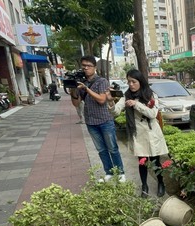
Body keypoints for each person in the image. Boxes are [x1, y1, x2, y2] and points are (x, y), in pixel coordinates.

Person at [107, 69, 168, 198]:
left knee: (156, 161)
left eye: (133, 81)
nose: (131, 84)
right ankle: (144, 186)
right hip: (138, 135)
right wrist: (110, 101)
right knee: (142, 162)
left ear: (140, 81)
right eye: (129, 82)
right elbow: (116, 112)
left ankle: (161, 183)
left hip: (152, 133)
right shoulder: (126, 96)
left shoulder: (151, 95)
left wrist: (136, 104)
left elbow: (152, 114)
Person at [70, 55, 125, 182]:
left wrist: (86, 89)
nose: (85, 68)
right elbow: (76, 104)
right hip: (90, 122)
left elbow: (101, 100)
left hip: (105, 120)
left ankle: (120, 172)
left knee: (112, 148)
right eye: (83, 66)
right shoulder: (81, 82)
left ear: (94, 67)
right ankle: (109, 172)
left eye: (88, 66)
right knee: (101, 150)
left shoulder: (102, 81)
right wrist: (73, 90)